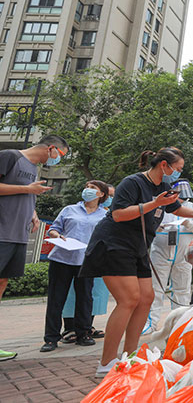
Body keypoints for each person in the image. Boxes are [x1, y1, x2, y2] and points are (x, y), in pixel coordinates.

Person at [79, 147, 193, 377]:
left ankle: (130, 356)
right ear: (164, 165)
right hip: (114, 244)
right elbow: (118, 214)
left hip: (138, 246)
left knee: (146, 298)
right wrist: (153, 204)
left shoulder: (163, 187)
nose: (177, 174)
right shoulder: (132, 183)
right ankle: (107, 362)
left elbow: (175, 207)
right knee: (129, 299)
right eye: (177, 169)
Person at [0, 135, 67, 361]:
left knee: (2, 282)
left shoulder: (33, 169)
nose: (59, 160)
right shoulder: (10, 157)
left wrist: (33, 213)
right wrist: (28, 190)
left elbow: (26, 194)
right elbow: (22, 190)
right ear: (50, 148)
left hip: (18, 234)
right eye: (61, 154)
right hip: (2, 232)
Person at [40, 180, 110, 352]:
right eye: (86, 186)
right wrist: (57, 235)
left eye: (92, 188)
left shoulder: (105, 215)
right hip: (62, 258)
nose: (87, 190)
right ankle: (51, 338)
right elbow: (53, 229)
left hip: (86, 261)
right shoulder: (69, 209)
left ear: (101, 194)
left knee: (85, 298)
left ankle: (83, 334)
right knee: (56, 299)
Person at [144, 180, 193, 333]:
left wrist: (189, 224)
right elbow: (147, 224)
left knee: (182, 289)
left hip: (184, 254)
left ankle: (180, 323)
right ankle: (151, 323)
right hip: (161, 251)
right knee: (156, 288)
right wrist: (156, 227)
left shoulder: (192, 208)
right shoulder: (160, 205)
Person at [62, 184, 114, 342]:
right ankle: (70, 328)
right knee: (73, 293)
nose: (110, 199)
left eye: (113, 196)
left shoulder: (108, 215)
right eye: (109, 195)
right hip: (75, 258)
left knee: (95, 295)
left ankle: (86, 326)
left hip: (98, 260)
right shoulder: (72, 210)